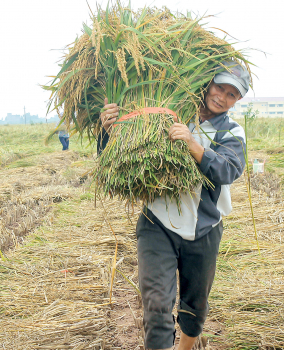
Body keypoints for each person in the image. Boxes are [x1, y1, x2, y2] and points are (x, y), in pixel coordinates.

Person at [98, 61, 250, 350]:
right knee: (155, 305)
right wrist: (110, 131)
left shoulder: (232, 132)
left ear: (238, 100)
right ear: (209, 82)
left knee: (195, 306)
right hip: (158, 223)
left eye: (232, 94)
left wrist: (194, 145)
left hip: (205, 227)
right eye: (220, 87)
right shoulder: (168, 111)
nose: (222, 96)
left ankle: (185, 346)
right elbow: (124, 155)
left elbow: (229, 169)